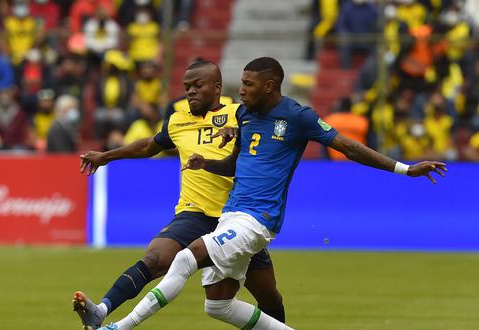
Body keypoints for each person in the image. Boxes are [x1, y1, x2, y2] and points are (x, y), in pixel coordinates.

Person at [96, 57, 447, 330]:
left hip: (258, 220)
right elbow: (234, 166)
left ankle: (118, 325)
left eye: (248, 85)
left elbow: (348, 147)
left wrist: (405, 168)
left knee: (185, 259)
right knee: (217, 305)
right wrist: (207, 162)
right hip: (231, 216)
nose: (242, 91)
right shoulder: (245, 115)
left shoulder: (298, 116)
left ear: (270, 85)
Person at [74, 60, 286, 329]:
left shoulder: (240, 114)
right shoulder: (177, 121)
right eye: (187, 87)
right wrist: (106, 156)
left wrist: (239, 131)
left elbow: (270, 132)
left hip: (237, 218)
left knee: (268, 298)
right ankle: (101, 310)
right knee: (154, 258)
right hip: (194, 213)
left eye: (198, 86)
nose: (190, 92)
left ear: (217, 87)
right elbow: (149, 146)